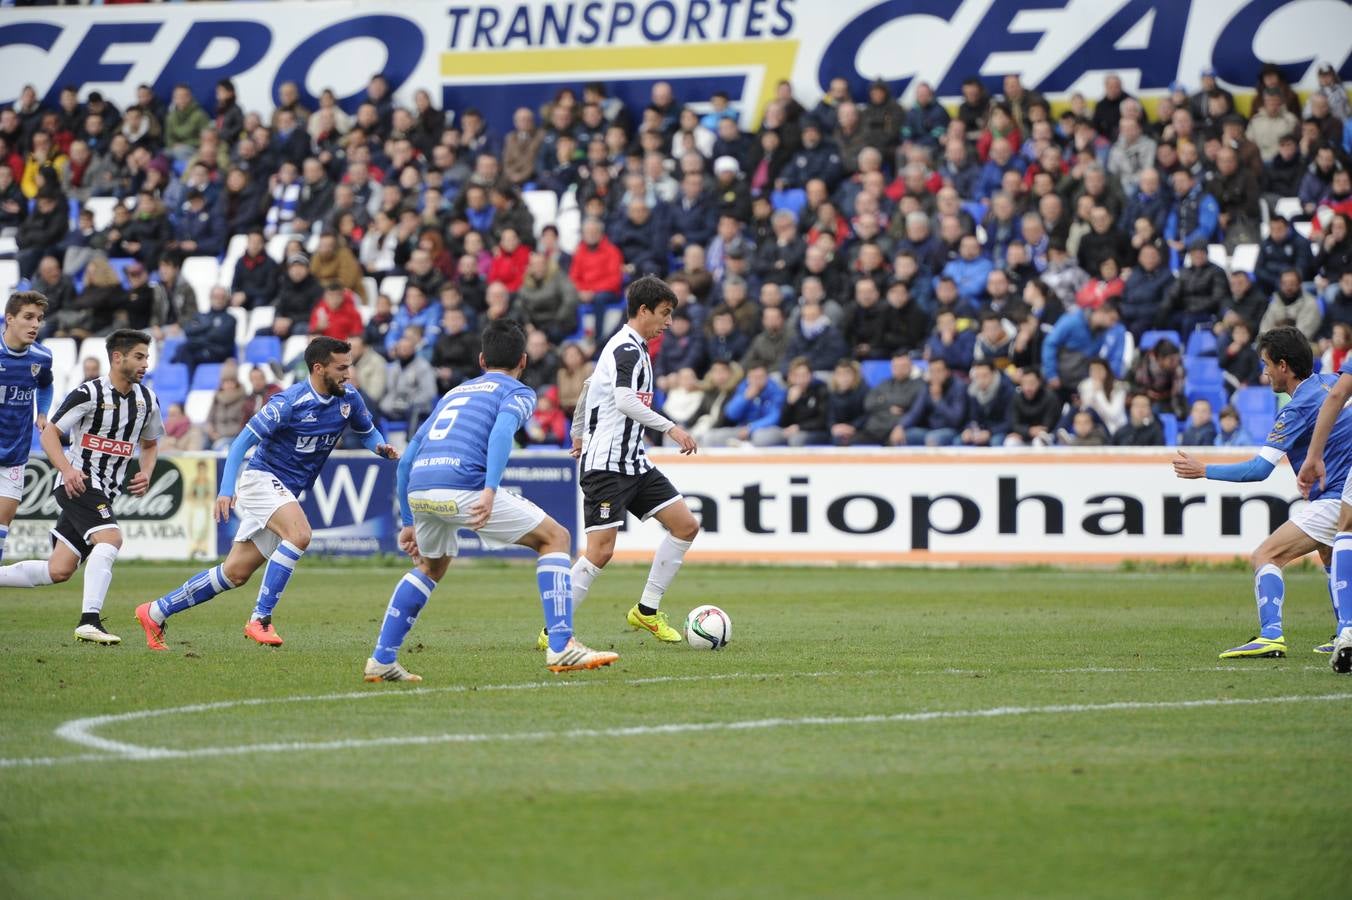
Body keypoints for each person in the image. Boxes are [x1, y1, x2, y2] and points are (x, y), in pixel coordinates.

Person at [367, 319, 617, 680]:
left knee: (432, 566)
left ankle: (382, 659)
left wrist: (408, 521)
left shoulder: (453, 392)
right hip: (463, 485)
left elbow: (407, 459)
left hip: (421, 487)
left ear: (482, 360)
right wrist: (488, 489)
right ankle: (562, 645)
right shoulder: (517, 391)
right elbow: (501, 432)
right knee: (556, 538)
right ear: (524, 361)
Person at [133, 338, 397, 651]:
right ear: (318, 368)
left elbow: (368, 432)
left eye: (349, 366)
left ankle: (155, 611)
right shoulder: (288, 403)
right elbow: (240, 444)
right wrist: (226, 490)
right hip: (261, 479)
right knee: (299, 535)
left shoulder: (349, 399)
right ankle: (261, 619)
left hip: (285, 490)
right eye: (341, 367)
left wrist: (379, 447)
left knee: (234, 574)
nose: (349, 373)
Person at [1178, 327, 1352, 662]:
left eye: (1267, 364)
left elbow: (1258, 469)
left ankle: (1271, 635)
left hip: (1335, 497)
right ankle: (1343, 631)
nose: (1264, 372)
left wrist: (1204, 470)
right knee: (1330, 555)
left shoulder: (1296, 408)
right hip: (1344, 492)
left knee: (1266, 555)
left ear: (1284, 366)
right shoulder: (1333, 381)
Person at [0, 330, 162, 645]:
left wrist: (147, 470)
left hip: (106, 491)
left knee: (58, 570)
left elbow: (151, 443)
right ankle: (89, 620)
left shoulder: (146, 400)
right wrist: (68, 469)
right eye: (139, 356)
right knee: (111, 538)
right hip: (78, 484)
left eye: (147, 357)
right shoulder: (88, 394)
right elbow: (49, 434)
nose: (146, 363)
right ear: (118, 357)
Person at [564, 276, 701, 646]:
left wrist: (578, 429)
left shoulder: (632, 348)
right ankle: (555, 628)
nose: (668, 322)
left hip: (634, 463)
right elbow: (624, 400)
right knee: (600, 552)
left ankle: (647, 611)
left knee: (685, 526)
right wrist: (673, 429)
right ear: (643, 311)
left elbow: (591, 385)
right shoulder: (626, 348)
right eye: (664, 314)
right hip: (607, 465)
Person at [0, 292, 54, 574]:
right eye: (28, 317)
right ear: (10, 318)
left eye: (39, 319)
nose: (35, 324)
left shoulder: (42, 357)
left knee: (0, 529)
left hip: (14, 454)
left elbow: (45, 386)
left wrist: (42, 412)